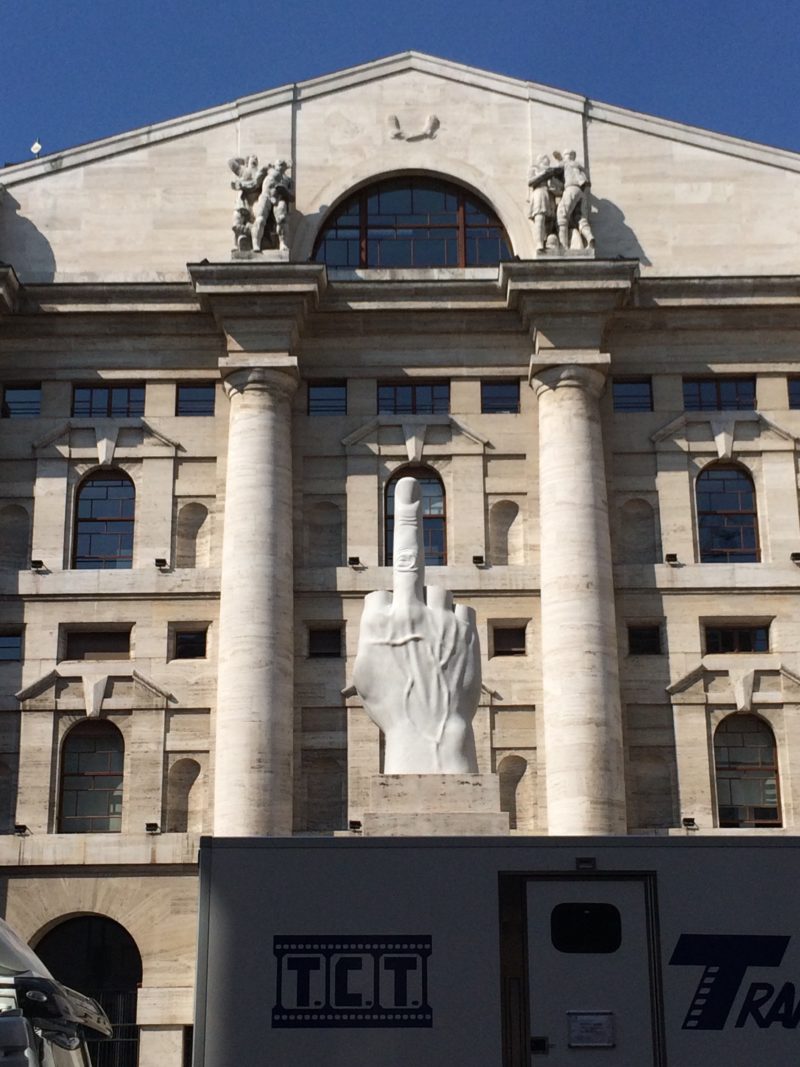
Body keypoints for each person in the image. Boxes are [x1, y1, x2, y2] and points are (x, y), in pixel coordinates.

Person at [555, 149, 595, 250]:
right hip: (582, 193)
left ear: (566, 156)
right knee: (580, 218)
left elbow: (555, 170)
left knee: (561, 214)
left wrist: (558, 158)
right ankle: (589, 238)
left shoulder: (565, 163)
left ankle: (563, 246)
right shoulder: (578, 165)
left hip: (571, 189)